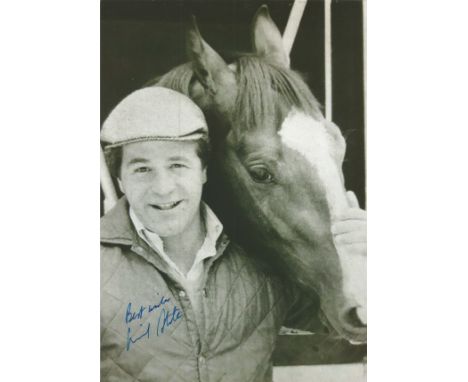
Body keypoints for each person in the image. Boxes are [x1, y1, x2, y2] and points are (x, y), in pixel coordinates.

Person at [100, 87, 366, 381]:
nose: (163, 187)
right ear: (120, 179)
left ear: (203, 171)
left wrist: (365, 262)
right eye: (142, 169)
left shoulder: (260, 264)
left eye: (177, 165)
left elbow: (357, 320)